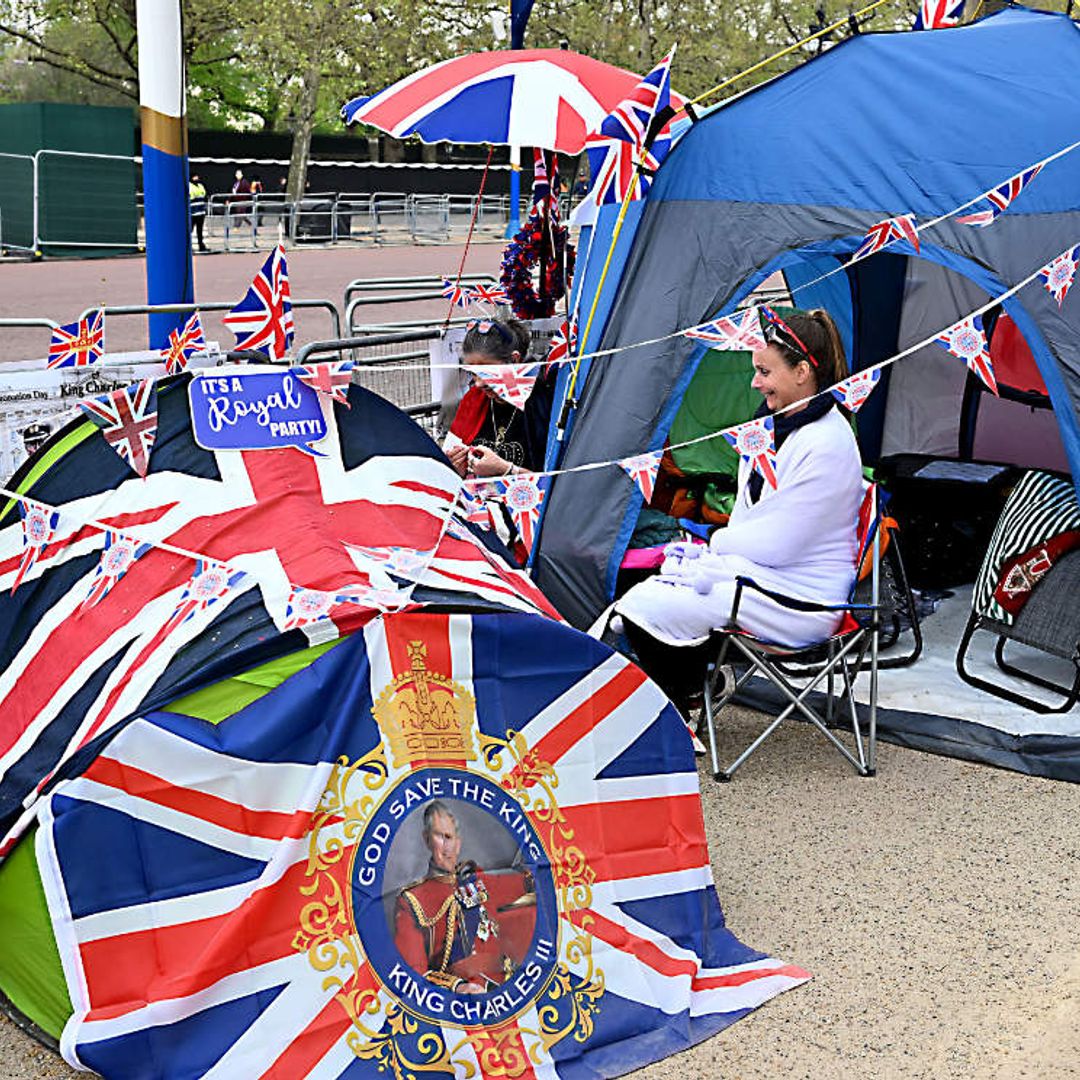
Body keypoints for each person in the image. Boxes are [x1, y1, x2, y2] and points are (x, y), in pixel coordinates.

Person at [614, 308, 864, 716]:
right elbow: (752, 520)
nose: (755, 382)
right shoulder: (772, 427)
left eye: (765, 371)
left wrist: (715, 541)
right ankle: (693, 690)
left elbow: (781, 545)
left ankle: (683, 705)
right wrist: (720, 549)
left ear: (802, 371)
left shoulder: (827, 443)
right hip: (764, 575)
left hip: (802, 598)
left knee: (645, 609)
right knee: (642, 595)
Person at [393, 801, 534, 993]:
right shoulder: (412, 900)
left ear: (458, 844)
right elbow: (413, 973)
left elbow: (529, 881)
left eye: (451, 838)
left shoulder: (478, 880)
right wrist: (456, 986)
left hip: (507, 988)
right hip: (460, 1002)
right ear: (427, 839)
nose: (447, 846)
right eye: (440, 836)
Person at [444, 317, 555, 480]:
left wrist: (507, 470)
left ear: (514, 360)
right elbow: (455, 470)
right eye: (472, 373)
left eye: (487, 372)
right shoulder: (473, 399)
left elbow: (558, 485)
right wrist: (457, 469)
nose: (479, 383)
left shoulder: (543, 404)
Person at [189, 174, 208, 252]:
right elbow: (192, 195)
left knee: (200, 230)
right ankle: (188, 246)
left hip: (201, 212)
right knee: (190, 229)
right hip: (193, 212)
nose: (196, 178)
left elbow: (204, 194)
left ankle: (201, 245)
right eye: (195, 177)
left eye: (197, 176)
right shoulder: (189, 185)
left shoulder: (200, 185)